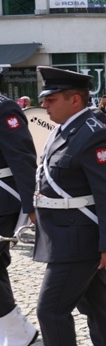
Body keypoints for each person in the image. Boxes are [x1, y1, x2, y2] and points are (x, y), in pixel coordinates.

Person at [34, 66, 106, 345]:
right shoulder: (66, 129)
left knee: (50, 311)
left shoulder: (92, 134)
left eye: (51, 100)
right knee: (95, 306)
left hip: (78, 239)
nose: (43, 105)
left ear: (74, 100)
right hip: (65, 233)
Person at [0, 95, 39, 345]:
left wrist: (32, 206)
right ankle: (13, 328)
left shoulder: (3, 107)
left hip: (3, 197)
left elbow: (23, 158)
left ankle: (17, 330)